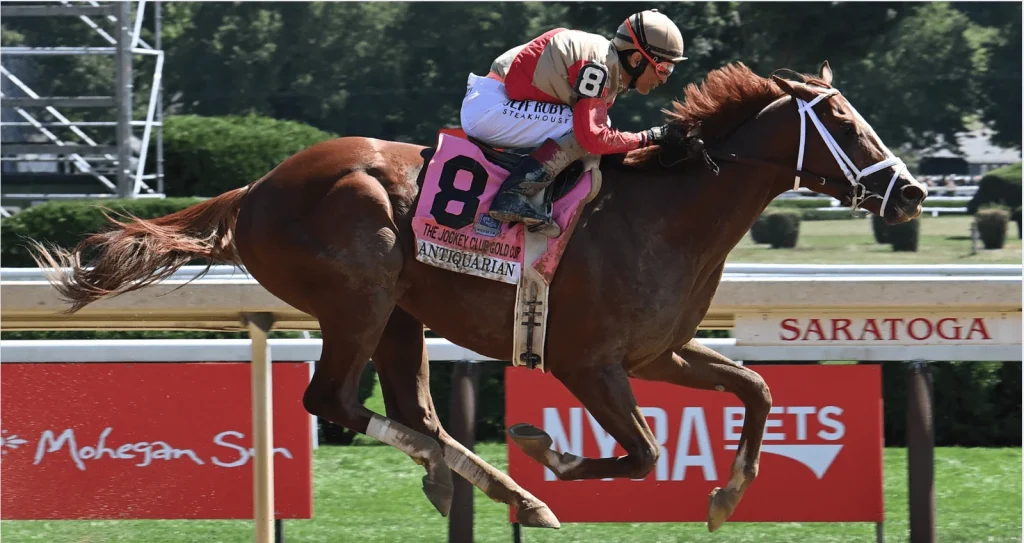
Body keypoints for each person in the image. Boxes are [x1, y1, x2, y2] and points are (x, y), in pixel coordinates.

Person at [459, 9, 687, 228]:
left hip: (496, 104)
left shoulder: (606, 64)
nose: (665, 79)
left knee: (593, 129)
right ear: (637, 59)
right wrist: (649, 137)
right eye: (664, 68)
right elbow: (592, 138)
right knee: (585, 130)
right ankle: (513, 194)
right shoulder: (599, 67)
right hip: (490, 108)